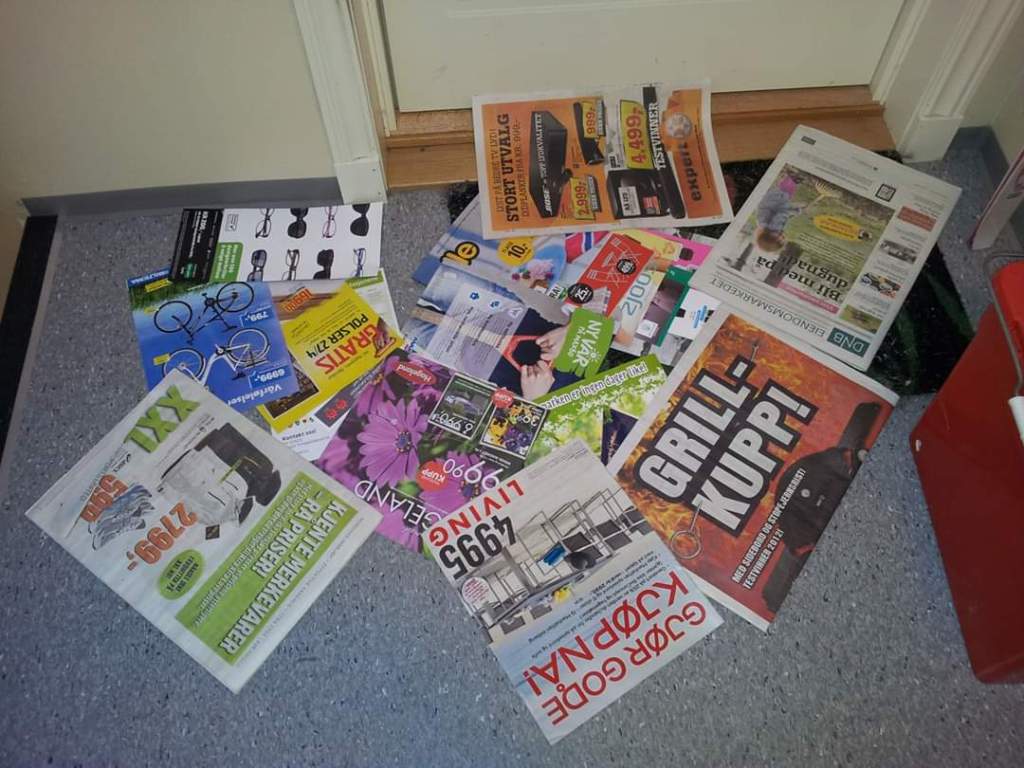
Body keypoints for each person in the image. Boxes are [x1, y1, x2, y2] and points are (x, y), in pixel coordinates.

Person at [754, 173, 802, 252]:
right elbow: (781, 217)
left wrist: (795, 211)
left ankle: (792, 178)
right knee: (785, 191)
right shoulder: (764, 226)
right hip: (770, 200)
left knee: (786, 191)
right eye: (783, 241)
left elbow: (782, 214)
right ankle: (792, 179)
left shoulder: (774, 228)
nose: (783, 238)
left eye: (780, 240)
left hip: (777, 201)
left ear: (770, 237)